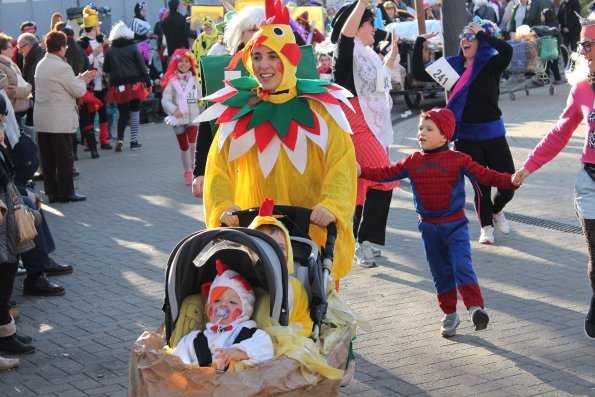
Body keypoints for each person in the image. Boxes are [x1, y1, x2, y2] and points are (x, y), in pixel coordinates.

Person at [197, 0, 357, 287]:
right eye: (256, 56)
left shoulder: (320, 108)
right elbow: (217, 169)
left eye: (272, 55)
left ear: (289, 57)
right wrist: (222, 205)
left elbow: (341, 162)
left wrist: (332, 203)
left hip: (311, 229)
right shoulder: (237, 110)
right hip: (256, 229)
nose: (264, 65)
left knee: (315, 303)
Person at [359, 108, 518, 337]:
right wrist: (361, 170)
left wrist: (510, 180)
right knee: (440, 272)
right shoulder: (413, 161)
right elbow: (385, 173)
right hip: (429, 228)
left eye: (429, 129)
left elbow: (485, 175)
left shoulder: (458, 159)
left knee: (462, 265)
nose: (421, 132)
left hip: (455, 226)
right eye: (420, 128)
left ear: (445, 136)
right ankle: (450, 315)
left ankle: (475, 308)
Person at [512, 13, 595, 339]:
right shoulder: (581, 91)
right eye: (580, 44)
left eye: (587, 43)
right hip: (590, 183)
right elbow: (559, 133)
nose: (582, 50)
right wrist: (528, 167)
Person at [411, 19, 514, 245]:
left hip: (493, 133)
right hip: (466, 136)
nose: (466, 41)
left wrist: (483, 34)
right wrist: (419, 43)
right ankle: (486, 226)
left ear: (481, 42)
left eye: (472, 37)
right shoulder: (452, 65)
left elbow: (507, 49)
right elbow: (418, 72)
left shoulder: (491, 64)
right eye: (463, 37)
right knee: (480, 186)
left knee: (508, 183)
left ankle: (496, 211)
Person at [331, 0, 400, 268]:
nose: (375, 28)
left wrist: (392, 53)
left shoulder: (369, 55)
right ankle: (364, 241)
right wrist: (362, 3)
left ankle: (357, 241)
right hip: (357, 124)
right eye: (371, 23)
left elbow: (383, 80)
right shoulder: (345, 51)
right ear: (357, 26)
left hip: (377, 125)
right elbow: (345, 34)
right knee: (383, 177)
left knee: (364, 185)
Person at [191, 5, 265, 198]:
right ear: (240, 34)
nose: (258, 34)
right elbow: (209, 121)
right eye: (252, 29)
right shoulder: (223, 69)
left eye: (262, 28)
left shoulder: (285, 69)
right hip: (235, 163)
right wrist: (200, 171)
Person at [172, 260, 274, 368]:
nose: (223, 305)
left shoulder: (251, 335)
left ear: (245, 311)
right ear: (208, 309)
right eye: (217, 301)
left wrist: (240, 354)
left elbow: (266, 352)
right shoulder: (194, 339)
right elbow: (176, 363)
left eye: (232, 302)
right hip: (199, 381)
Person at [34, 31, 94, 203]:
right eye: (65, 46)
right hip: (58, 119)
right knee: (64, 157)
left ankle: (51, 192)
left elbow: (60, 85)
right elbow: (77, 90)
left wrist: (78, 79)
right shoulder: (62, 66)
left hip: (43, 118)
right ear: (61, 47)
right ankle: (66, 192)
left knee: (47, 158)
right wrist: (84, 80)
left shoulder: (42, 63)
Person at [0, 95, 35, 356]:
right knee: (4, 269)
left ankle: (7, 329)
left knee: (9, 266)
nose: (4, 120)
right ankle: (4, 333)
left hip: (7, 208)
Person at [248, 198, 313, 336]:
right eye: (264, 247)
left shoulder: (291, 286)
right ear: (249, 251)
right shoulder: (243, 281)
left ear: (288, 254)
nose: (273, 252)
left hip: (290, 333)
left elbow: (296, 319)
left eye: (280, 248)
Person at [103, 21, 150, 151]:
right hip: (135, 84)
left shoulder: (110, 50)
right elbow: (142, 66)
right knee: (134, 112)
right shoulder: (133, 47)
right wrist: (148, 82)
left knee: (123, 113)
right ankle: (134, 142)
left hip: (118, 86)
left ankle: (119, 138)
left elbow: (106, 68)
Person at [161, 49, 202, 185]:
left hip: (193, 118)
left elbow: (202, 96)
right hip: (178, 120)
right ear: (175, 64)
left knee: (193, 143)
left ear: (191, 64)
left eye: (186, 61)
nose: (184, 64)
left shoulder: (195, 80)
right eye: (181, 62)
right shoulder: (172, 81)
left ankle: (195, 169)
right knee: (183, 146)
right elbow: (164, 100)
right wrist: (174, 110)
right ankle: (187, 171)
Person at [77, 6, 112, 158]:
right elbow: (81, 64)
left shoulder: (101, 41)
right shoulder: (82, 44)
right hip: (89, 84)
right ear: (94, 27)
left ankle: (104, 139)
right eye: (98, 26)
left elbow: (106, 61)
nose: (100, 28)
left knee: (103, 111)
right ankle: (87, 141)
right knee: (89, 113)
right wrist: (94, 55)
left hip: (102, 82)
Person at [17, 33, 44, 137]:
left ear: (29, 45)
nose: (19, 51)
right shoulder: (30, 56)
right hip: (34, 100)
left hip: (38, 100)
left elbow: (32, 81)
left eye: (20, 48)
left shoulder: (38, 57)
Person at [0, 33, 31, 123]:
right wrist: (28, 88)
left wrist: (27, 87)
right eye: (10, 47)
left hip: (19, 109)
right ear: (2, 50)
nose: (13, 49)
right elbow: (8, 91)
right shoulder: (1, 66)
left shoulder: (10, 64)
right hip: (11, 111)